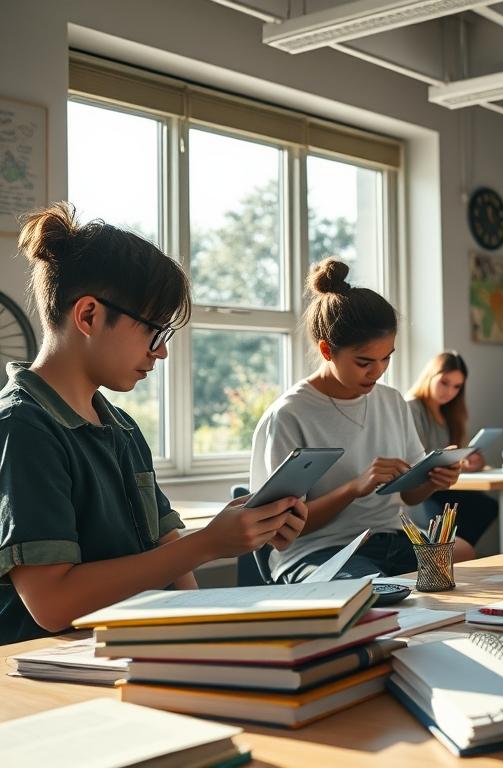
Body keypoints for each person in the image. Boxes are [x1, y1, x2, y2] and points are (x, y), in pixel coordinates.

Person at [0, 203, 304, 644]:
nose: (160, 352)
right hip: (50, 667)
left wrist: (209, 629)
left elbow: (168, 551)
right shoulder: (24, 427)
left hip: (132, 647)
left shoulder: (120, 427)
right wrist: (209, 544)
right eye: (153, 333)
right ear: (88, 316)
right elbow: (51, 604)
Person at [250, 258, 463, 582]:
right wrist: (354, 488)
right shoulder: (290, 415)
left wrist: (433, 478)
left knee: (467, 560)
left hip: (391, 538)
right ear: (326, 350)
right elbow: (281, 530)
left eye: (386, 358)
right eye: (364, 362)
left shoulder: (391, 401)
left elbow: (409, 496)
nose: (377, 372)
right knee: (374, 592)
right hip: (317, 552)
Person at [405, 351, 499, 557]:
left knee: (487, 506)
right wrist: (457, 463)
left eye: (457, 386)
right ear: (431, 375)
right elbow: (416, 460)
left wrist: (468, 462)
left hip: (444, 486)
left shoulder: (450, 413)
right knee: (470, 511)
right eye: (445, 382)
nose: (449, 391)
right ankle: (446, 556)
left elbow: (448, 456)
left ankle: (451, 556)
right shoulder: (411, 408)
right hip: (421, 491)